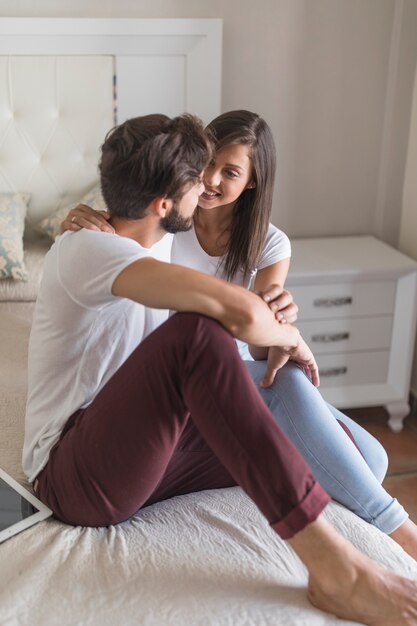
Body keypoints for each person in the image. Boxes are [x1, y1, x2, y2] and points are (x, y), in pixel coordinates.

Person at [25, 112, 417, 624]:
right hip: (73, 470)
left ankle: (381, 518)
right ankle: (338, 569)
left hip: (143, 447)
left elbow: (145, 188)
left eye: (222, 173)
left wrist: (275, 331)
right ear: (165, 204)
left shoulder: (159, 235)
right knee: (195, 335)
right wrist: (289, 336)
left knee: (362, 457)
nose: (206, 188)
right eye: (196, 179)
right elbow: (240, 313)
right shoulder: (90, 250)